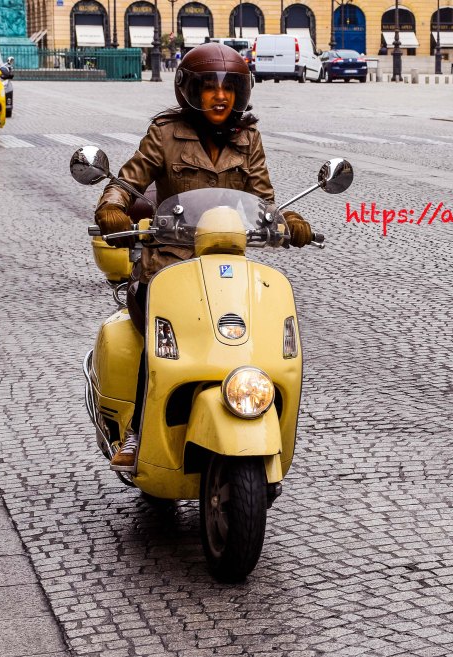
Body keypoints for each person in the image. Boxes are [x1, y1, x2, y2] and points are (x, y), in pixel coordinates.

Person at [94, 42, 315, 471]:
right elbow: (128, 179)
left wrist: (288, 220)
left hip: (227, 263)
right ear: (189, 90)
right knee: (159, 342)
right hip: (168, 264)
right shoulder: (165, 133)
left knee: (253, 332)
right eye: (210, 87)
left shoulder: (248, 138)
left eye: (229, 88)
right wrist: (112, 205)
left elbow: (263, 199)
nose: (220, 96)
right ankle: (138, 430)